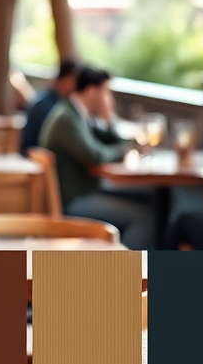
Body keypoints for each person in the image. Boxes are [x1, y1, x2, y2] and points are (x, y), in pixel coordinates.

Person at [40, 67, 156, 250]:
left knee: (152, 197)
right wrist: (124, 150)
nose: (109, 98)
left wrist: (108, 119)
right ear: (92, 91)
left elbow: (109, 140)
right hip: (74, 200)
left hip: (86, 189)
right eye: (106, 92)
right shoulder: (67, 118)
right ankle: (127, 272)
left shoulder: (80, 114)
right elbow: (95, 155)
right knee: (143, 217)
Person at [20, 59, 79, 154]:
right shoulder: (48, 107)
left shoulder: (56, 102)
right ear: (66, 79)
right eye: (75, 80)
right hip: (34, 158)